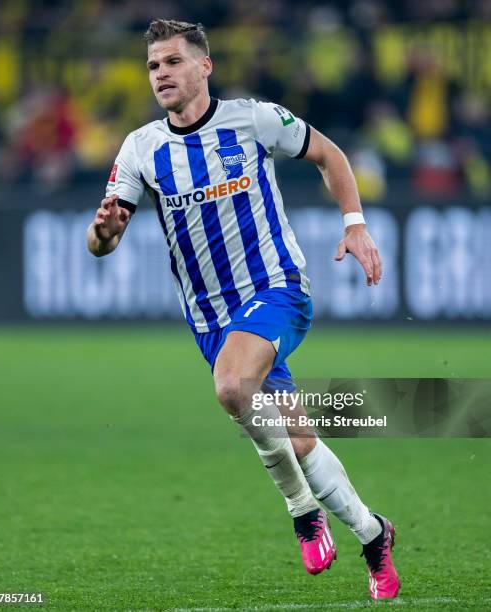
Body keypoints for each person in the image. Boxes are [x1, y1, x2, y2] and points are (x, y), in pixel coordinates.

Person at [86, 19, 400, 600]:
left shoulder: (253, 119)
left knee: (231, 386)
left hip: (277, 287)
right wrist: (102, 232)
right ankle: (373, 532)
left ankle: (302, 512)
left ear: (204, 66)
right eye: (153, 65)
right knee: (298, 440)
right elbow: (103, 243)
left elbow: (329, 155)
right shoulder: (142, 148)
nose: (161, 74)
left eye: (173, 62)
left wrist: (355, 225)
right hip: (211, 319)